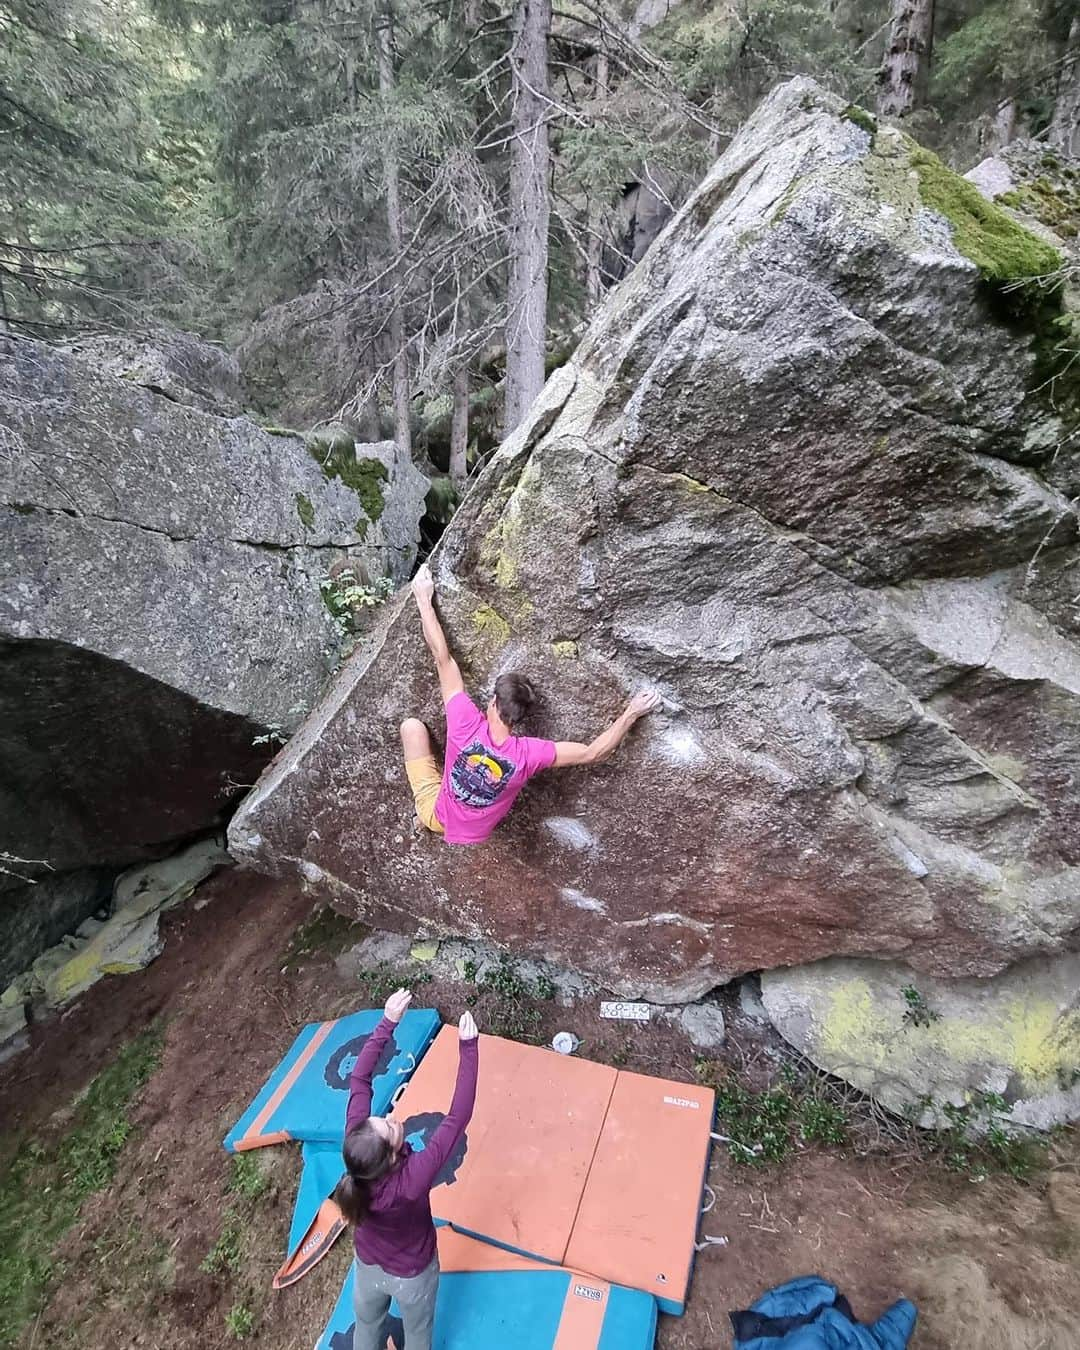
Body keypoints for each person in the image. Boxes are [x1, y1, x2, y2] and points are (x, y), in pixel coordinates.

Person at [402, 563, 661, 844]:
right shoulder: (527, 755)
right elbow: (592, 753)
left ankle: (420, 819)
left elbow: (443, 658)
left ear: (492, 703)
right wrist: (632, 712)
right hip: (478, 833)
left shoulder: (464, 721)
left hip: (439, 818)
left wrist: (423, 600)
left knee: (411, 727)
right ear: (519, 717)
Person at [333, 988, 479, 1350]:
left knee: (366, 1327)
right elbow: (458, 1116)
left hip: (368, 1266)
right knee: (417, 1336)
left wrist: (388, 1022)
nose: (390, 1117)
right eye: (391, 1126)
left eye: (381, 1119)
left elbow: (359, 1080)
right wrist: (469, 1048)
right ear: (394, 1154)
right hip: (414, 1276)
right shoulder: (413, 1180)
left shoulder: (356, 1146)